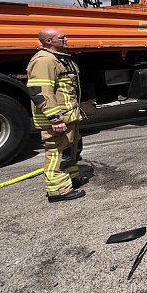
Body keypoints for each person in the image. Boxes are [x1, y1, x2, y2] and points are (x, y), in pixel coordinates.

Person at [26, 28, 86, 202]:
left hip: (68, 115)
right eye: (62, 37)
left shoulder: (59, 59)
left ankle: (71, 180)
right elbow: (41, 91)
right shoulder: (44, 61)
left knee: (71, 150)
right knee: (57, 153)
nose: (66, 39)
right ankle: (58, 191)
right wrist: (54, 118)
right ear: (49, 41)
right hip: (58, 118)